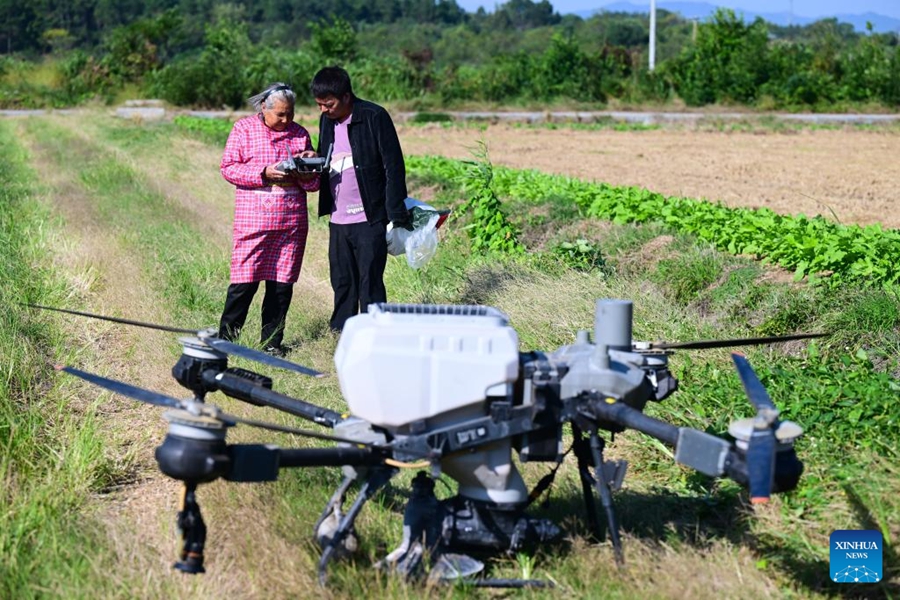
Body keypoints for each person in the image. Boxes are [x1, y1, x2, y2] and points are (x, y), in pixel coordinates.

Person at [217, 83, 320, 356]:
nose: (287, 120)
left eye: (291, 114)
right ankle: (226, 341)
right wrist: (264, 173)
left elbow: (313, 185)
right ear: (264, 108)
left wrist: (309, 167)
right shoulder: (243, 130)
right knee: (243, 283)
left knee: (282, 285)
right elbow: (228, 169)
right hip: (254, 222)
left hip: (290, 223)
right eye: (281, 115)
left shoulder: (300, 135)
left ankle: (272, 343)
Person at [310, 66, 411, 333]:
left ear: (346, 96)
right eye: (319, 105)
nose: (324, 110)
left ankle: (373, 331)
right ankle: (341, 331)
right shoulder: (327, 121)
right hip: (338, 217)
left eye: (328, 104)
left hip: (369, 216)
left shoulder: (374, 116)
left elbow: (393, 166)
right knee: (342, 279)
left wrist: (394, 211)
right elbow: (327, 155)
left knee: (370, 281)